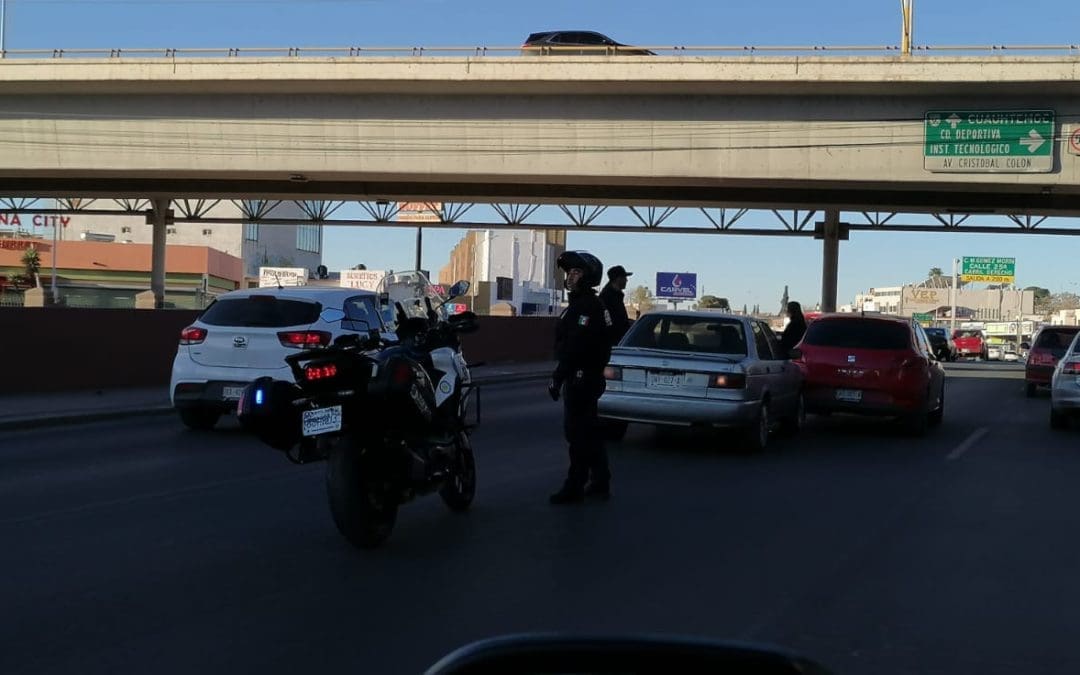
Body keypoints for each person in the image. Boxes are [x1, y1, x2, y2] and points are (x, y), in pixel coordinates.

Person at [548, 250, 613, 504]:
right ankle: (600, 479)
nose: (570, 277)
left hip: (583, 377)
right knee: (589, 431)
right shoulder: (579, 304)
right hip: (583, 376)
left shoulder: (587, 306)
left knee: (577, 434)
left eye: (576, 272)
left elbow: (577, 346)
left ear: (588, 277)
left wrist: (559, 376)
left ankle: (575, 485)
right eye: (569, 272)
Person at [599, 265, 633, 345]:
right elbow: (609, 321)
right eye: (625, 278)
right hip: (612, 343)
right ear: (618, 279)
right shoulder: (607, 298)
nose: (627, 280)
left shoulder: (616, 296)